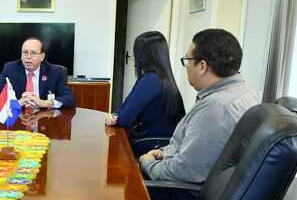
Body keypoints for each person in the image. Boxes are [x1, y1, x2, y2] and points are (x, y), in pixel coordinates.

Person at [139, 29, 258, 185]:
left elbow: (183, 171)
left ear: (202, 66)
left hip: (178, 192)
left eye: (187, 60)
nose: (186, 66)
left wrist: (147, 162)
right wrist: (163, 152)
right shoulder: (243, 92)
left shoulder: (216, 108)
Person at [105, 31, 185, 156]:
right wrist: (116, 115)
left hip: (153, 145)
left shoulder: (150, 80)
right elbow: (124, 109)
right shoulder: (163, 78)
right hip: (166, 144)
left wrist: (116, 117)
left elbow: (125, 119)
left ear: (143, 56)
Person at [0, 37, 75, 110]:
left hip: (45, 119)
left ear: (42, 56)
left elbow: (69, 99)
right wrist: (16, 104)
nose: (28, 56)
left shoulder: (55, 72)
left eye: (33, 53)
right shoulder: (10, 69)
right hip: (17, 118)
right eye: (25, 52)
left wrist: (44, 103)